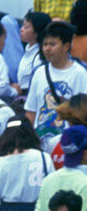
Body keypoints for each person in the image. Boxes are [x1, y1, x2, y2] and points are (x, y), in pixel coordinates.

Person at [26, 19, 87, 150]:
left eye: (52, 44)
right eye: (45, 44)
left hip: (68, 147)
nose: (47, 49)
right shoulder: (39, 72)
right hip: (40, 146)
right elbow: (31, 111)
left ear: (66, 46)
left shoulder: (80, 74)